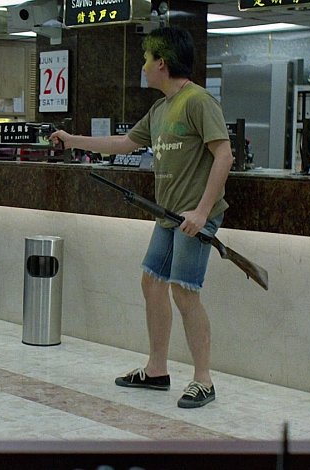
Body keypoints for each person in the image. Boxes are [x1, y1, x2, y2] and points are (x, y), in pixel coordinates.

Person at [50, 26, 233, 409]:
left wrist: (202, 212)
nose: (143, 65)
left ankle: (204, 380)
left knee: (184, 292)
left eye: (146, 59)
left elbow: (224, 155)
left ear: (161, 63)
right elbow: (124, 143)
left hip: (195, 217)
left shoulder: (198, 101)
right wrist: (73, 140)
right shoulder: (160, 109)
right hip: (167, 217)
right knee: (152, 283)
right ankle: (156, 370)